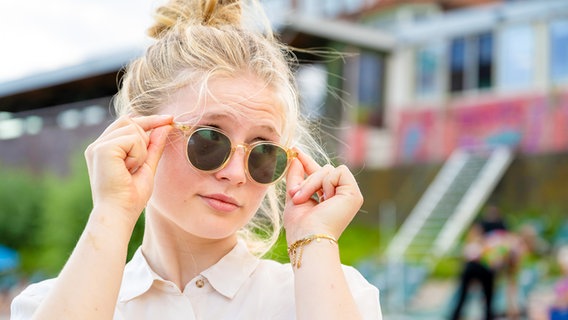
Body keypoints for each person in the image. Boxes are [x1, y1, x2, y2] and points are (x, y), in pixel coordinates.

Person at [10, 1, 382, 319]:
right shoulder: (46, 303)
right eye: (209, 140)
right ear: (141, 133)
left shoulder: (330, 293)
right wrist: (111, 213)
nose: (236, 175)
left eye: (263, 152)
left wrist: (314, 240)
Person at [449, 222, 537, 320]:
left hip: (471, 263)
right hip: (485, 266)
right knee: (488, 301)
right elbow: (511, 277)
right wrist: (512, 307)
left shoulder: (506, 236)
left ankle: (455, 316)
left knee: (463, 296)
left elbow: (484, 243)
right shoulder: (518, 248)